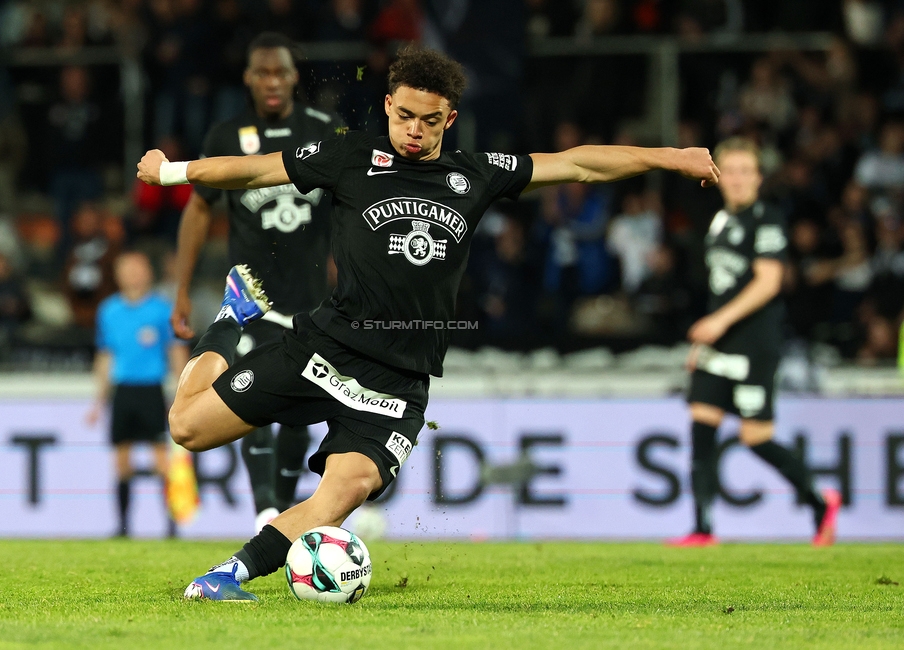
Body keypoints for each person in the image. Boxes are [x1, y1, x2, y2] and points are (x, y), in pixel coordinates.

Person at [137, 45, 720, 601]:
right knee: (186, 428)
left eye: (431, 121)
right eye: (406, 115)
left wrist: (672, 157)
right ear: (388, 105)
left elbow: (578, 164)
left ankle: (227, 575)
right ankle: (228, 321)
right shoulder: (349, 155)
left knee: (344, 493)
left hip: (395, 384)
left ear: (451, 119)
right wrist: (172, 172)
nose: (415, 130)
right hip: (323, 348)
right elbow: (256, 172)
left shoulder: (476, 174)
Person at [172, 32, 345, 535]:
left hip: (313, 302)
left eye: (281, 72)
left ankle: (280, 516)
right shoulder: (227, 135)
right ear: (248, 79)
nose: (272, 81)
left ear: (294, 77)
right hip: (252, 299)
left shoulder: (324, 129)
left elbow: (351, 205)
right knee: (249, 400)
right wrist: (181, 288)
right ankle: (266, 508)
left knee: (295, 415)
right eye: (262, 73)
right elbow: (199, 209)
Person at [669, 137, 841, 548]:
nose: (740, 179)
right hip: (717, 345)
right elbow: (721, 289)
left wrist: (716, 322)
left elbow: (769, 282)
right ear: (718, 176)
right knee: (701, 425)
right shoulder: (720, 222)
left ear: (760, 178)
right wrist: (705, 340)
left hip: (754, 344)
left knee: (755, 437)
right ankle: (703, 529)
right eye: (731, 170)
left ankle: (819, 501)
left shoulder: (766, 219)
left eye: (748, 171)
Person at [88, 251, 188, 538]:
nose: (132, 274)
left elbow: (175, 351)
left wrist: (181, 392)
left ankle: (170, 528)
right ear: (117, 274)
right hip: (123, 390)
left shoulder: (161, 309)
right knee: (121, 459)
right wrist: (98, 400)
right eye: (126, 269)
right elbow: (106, 355)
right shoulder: (109, 310)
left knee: (160, 458)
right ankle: (123, 528)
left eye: (137, 268)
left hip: (151, 390)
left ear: (148, 272)